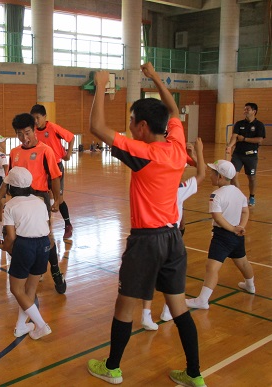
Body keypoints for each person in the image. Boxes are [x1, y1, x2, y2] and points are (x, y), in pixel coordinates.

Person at [87, 63, 205, 387]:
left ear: (141, 126)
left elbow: (96, 126)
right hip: (173, 239)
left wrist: (99, 85)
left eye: (130, 122)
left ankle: (112, 368)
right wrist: (155, 79)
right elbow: (173, 109)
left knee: (124, 305)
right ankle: (194, 374)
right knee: (178, 306)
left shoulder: (144, 152)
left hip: (147, 242)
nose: (127, 126)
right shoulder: (176, 144)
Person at [0, 113, 67, 295]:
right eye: (20, 134)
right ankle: (31, 269)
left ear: (35, 130)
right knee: (14, 237)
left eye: (28, 132)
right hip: (17, 199)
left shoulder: (46, 151)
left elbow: (55, 177)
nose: (25, 137)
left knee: (45, 236)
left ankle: (55, 270)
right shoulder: (14, 153)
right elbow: (8, 179)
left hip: (39, 198)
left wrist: (57, 199)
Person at [142, 138, 206, 329]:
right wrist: (199, 152)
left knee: (150, 275)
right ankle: (168, 310)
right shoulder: (179, 190)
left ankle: (146, 314)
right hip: (170, 236)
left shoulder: (149, 184)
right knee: (173, 275)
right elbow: (201, 174)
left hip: (148, 234)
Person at [186, 160, 255, 310]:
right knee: (243, 262)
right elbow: (245, 211)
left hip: (223, 237)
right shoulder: (239, 192)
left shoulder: (216, 195)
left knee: (212, 268)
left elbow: (217, 217)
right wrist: (240, 227)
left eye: (213, 173)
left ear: (221, 177)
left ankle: (202, 300)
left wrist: (231, 229)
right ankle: (250, 285)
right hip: (237, 236)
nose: (210, 175)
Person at [0, 167, 52, 340]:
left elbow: (11, 236)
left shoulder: (10, 205)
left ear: (11, 187)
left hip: (25, 246)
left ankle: (41, 325)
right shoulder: (40, 201)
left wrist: (5, 247)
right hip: (44, 245)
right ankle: (21, 326)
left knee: (16, 289)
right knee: (30, 289)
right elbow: (47, 228)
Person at [30, 104, 75, 239]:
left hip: (55, 166)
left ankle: (68, 224)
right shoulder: (33, 131)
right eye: (33, 118)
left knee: (58, 199)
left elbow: (71, 137)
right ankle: (44, 228)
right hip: (41, 169)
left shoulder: (53, 128)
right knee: (41, 196)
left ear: (44, 117)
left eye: (38, 118)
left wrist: (68, 154)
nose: (36, 121)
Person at [225, 103, 266, 206]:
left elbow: (259, 140)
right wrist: (230, 146)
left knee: (252, 178)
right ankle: (241, 197)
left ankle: (252, 197)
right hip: (238, 154)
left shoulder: (259, 125)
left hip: (251, 156)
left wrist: (244, 139)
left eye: (248, 109)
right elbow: (234, 136)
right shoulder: (239, 124)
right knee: (233, 176)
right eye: (244, 109)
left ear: (254, 111)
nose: (245, 111)